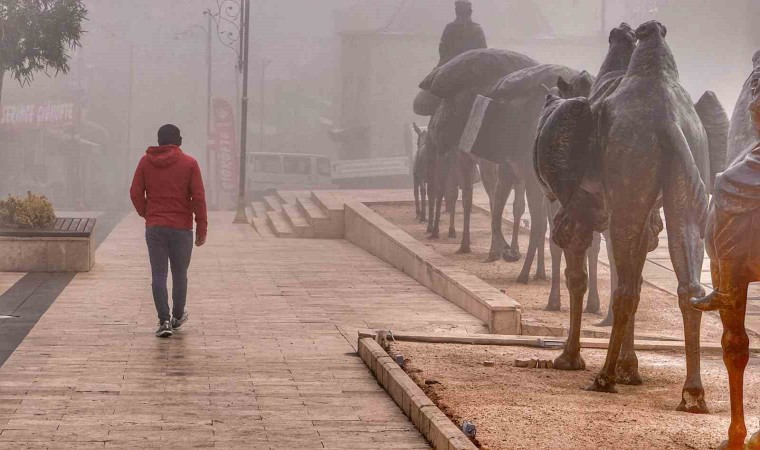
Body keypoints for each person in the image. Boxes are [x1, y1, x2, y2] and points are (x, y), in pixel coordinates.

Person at [130, 124, 208, 338]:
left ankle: (163, 320)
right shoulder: (190, 164)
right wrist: (202, 227)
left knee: (158, 273)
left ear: (159, 140)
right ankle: (177, 315)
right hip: (181, 228)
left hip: (155, 227)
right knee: (180, 273)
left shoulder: (146, 163)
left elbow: (135, 193)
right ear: (177, 141)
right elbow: (198, 198)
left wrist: (149, 214)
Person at [437, 0, 488, 67]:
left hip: (459, 68)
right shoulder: (477, 30)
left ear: (456, 11)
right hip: (469, 69)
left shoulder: (449, 28)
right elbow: (484, 52)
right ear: (470, 12)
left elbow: (442, 52)